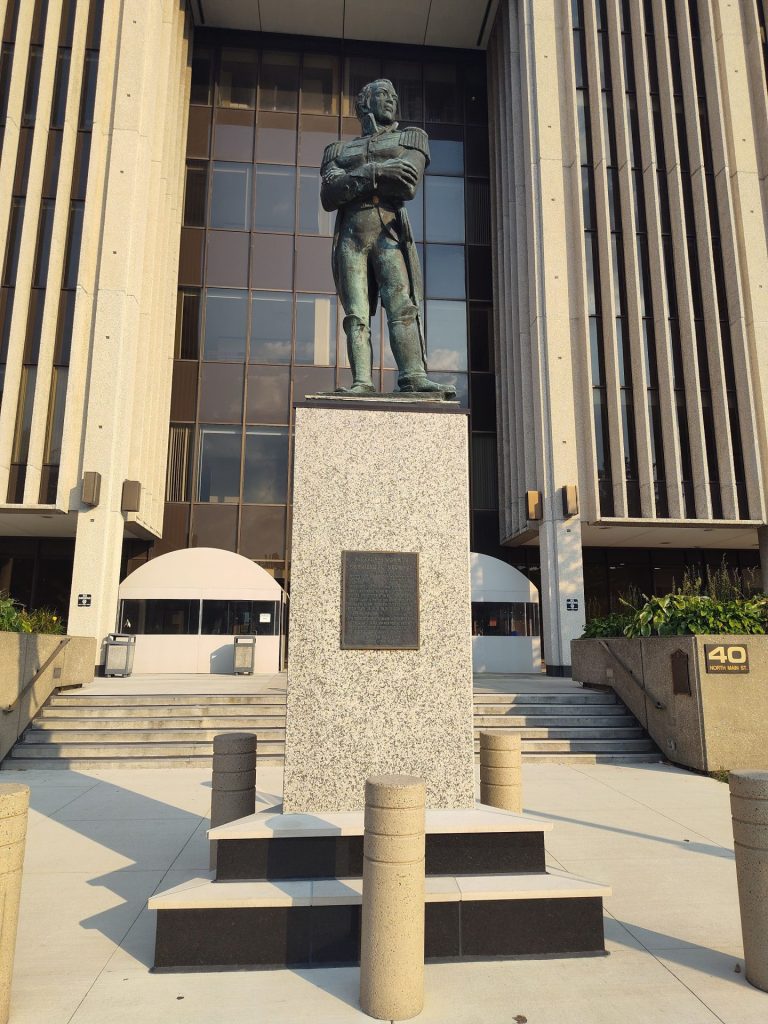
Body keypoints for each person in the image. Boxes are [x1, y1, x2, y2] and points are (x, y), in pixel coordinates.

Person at [320, 78, 455, 396]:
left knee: (402, 305)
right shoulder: (337, 149)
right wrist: (377, 172)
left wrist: (353, 179)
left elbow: (407, 183)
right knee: (355, 313)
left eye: (394, 95)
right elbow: (329, 195)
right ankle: (361, 382)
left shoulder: (412, 138)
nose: (392, 99)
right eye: (383, 95)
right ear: (365, 103)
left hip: (388, 232)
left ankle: (413, 375)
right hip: (352, 238)